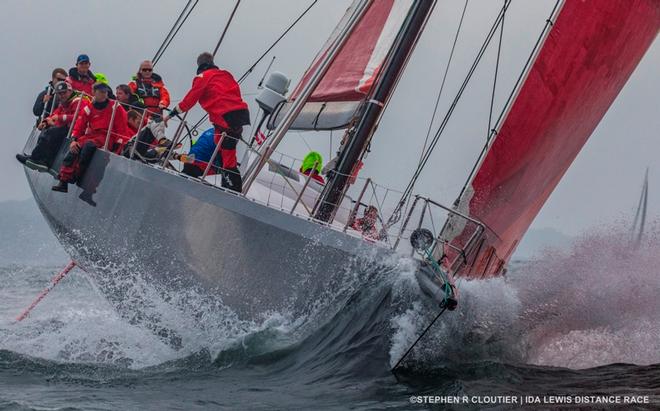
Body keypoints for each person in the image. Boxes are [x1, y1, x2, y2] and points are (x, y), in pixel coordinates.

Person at [164, 52, 250, 192]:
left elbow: (189, 100)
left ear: (199, 65)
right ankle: (231, 188)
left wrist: (171, 114)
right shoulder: (226, 74)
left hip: (225, 118)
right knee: (225, 151)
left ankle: (233, 191)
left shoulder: (202, 77)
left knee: (226, 155)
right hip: (240, 115)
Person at [52, 82, 128, 193]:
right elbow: (79, 125)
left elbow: (122, 130)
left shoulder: (116, 107)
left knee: (88, 147)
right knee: (73, 150)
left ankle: (79, 176)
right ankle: (63, 181)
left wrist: (117, 147)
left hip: (107, 137)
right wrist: (74, 140)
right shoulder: (89, 108)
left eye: (105, 92)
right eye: (101, 92)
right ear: (94, 92)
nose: (103, 94)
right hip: (91, 135)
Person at [18, 81, 87, 169]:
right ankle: (38, 158)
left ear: (70, 91)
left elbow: (79, 117)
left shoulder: (79, 101)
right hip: (69, 129)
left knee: (53, 132)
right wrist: (45, 122)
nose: (62, 95)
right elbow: (55, 113)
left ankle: (39, 159)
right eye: (59, 94)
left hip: (77, 132)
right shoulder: (64, 102)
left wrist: (60, 118)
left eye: (64, 92)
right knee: (48, 130)